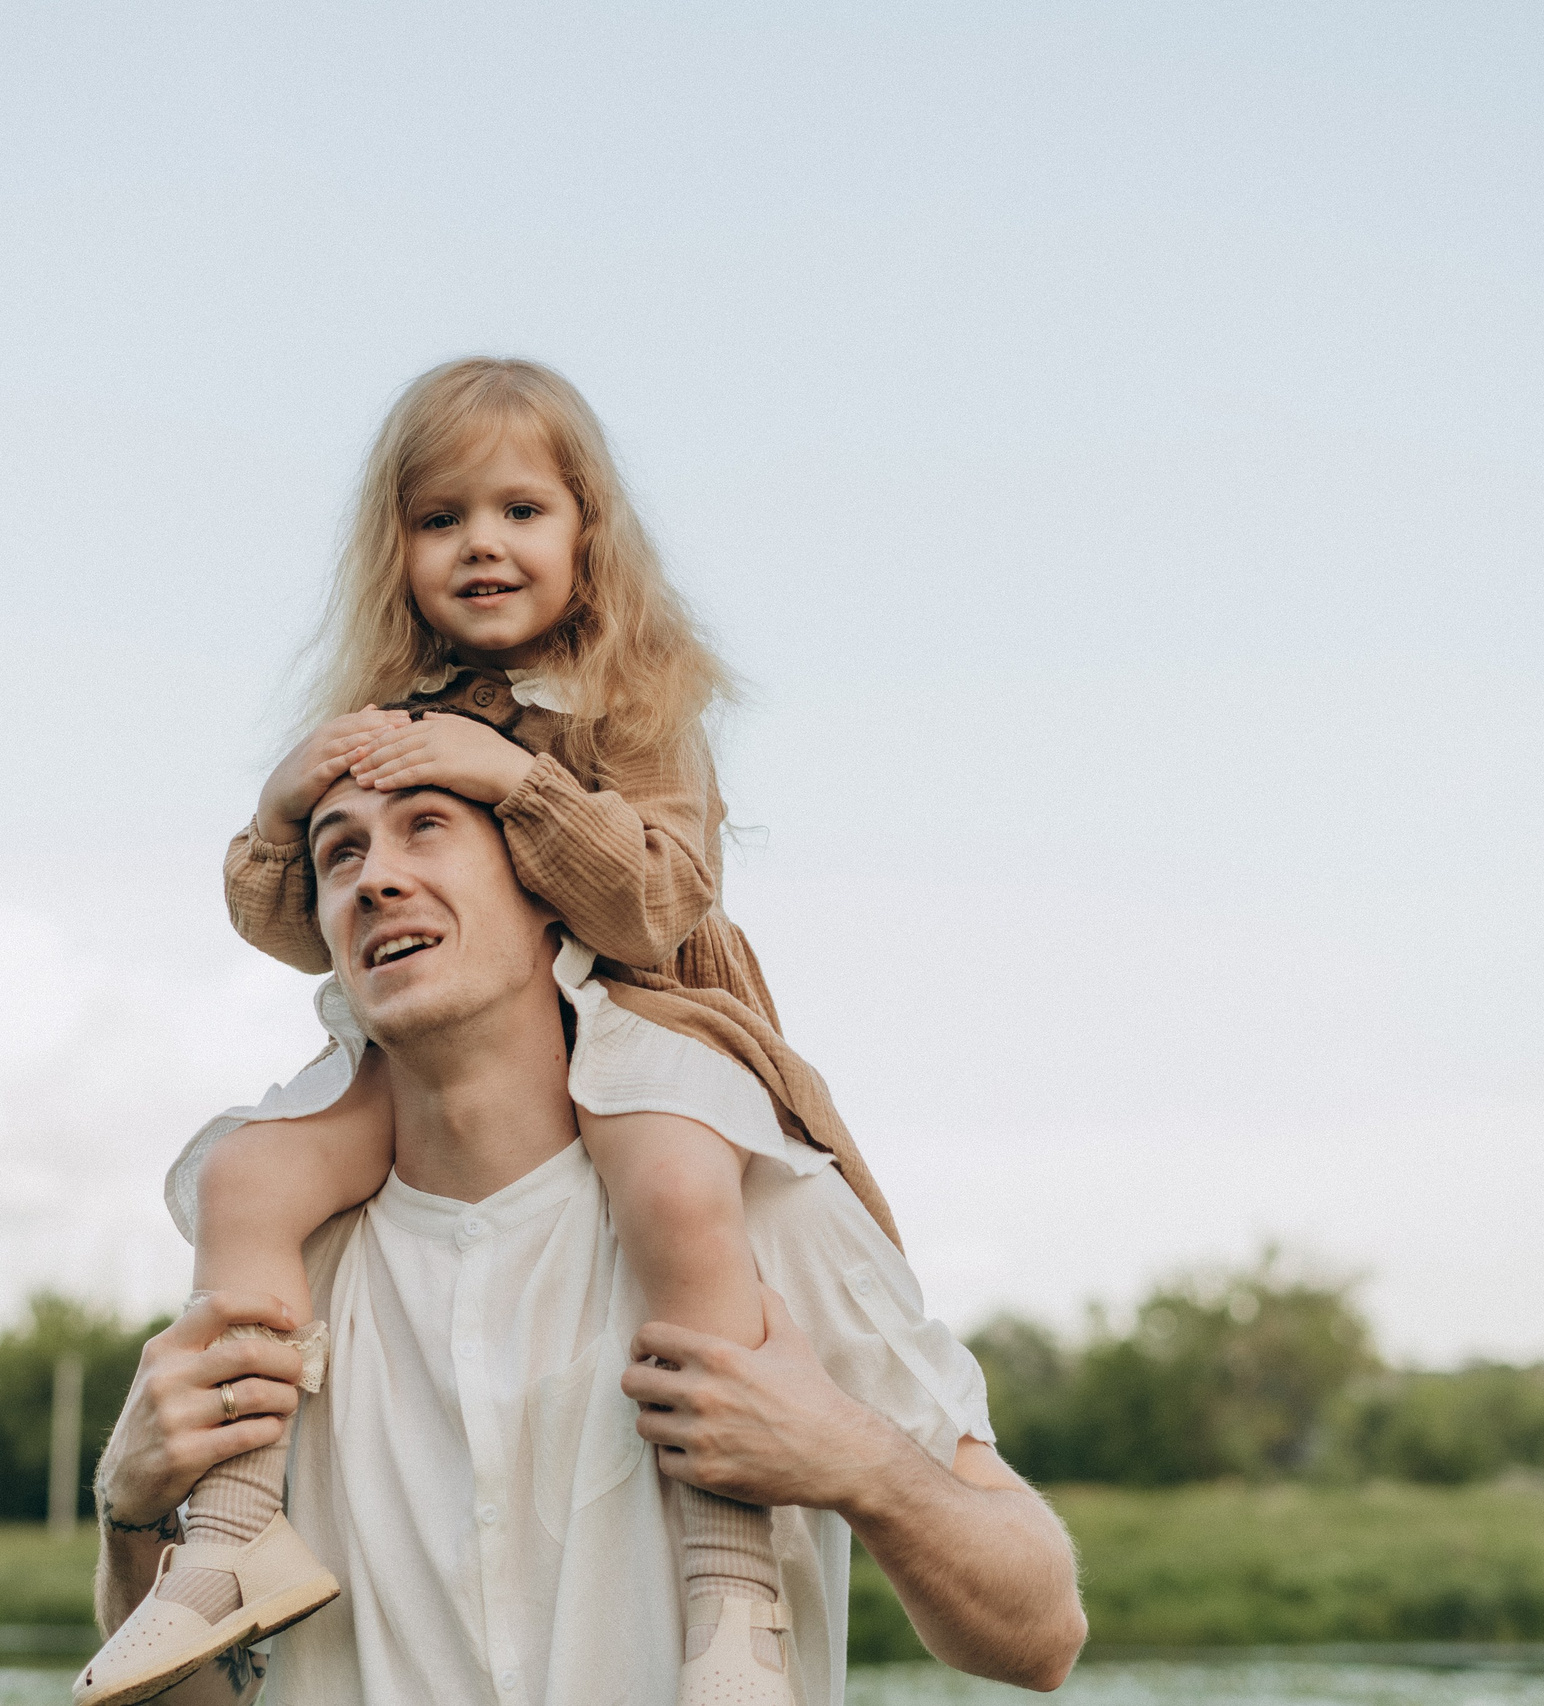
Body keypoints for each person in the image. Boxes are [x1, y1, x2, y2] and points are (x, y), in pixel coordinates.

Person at [83, 357, 901, 1705]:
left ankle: (731, 1593)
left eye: (522, 510)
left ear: (588, 532)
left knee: (683, 1188)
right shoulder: (393, 720)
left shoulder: (634, 701)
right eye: (443, 517)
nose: (483, 545)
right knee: (249, 1173)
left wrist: (517, 783)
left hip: (633, 1023)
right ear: (395, 551)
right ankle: (228, 1539)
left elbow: (654, 903)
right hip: (434, 1052)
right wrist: (284, 806)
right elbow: (301, 923)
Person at [85, 772, 1085, 1704]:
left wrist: (856, 1459)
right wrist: (131, 1520)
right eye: (339, 853)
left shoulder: (758, 1208)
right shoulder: (289, 1270)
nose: (374, 877)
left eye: (426, 826)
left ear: (548, 894)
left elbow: (1040, 1635)